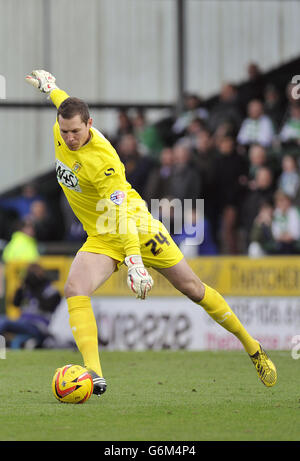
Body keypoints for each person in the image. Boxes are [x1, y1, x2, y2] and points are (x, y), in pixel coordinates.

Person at [25, 70, 277, 397]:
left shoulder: (105, 161)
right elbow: (63, 102)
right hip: (102, 234)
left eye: (75, 131)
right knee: (75, 288)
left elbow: (122, 217)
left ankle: (253, 347)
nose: (70, 138)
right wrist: (51, 88)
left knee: (194, 289)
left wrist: (135, 263)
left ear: (90, 125)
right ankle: (94, 375)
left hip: (136, 228)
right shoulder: (62, 127)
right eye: (65, 131)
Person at [0, 263, 61, 348]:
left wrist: (36, 288)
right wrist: (21, 288)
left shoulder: (51, 290)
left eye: (34, 274)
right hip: (23, 323)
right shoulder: (27, 289)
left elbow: (48, 307)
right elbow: (15, 303)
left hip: (40, 327)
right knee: (2, 320)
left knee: (4, 321)